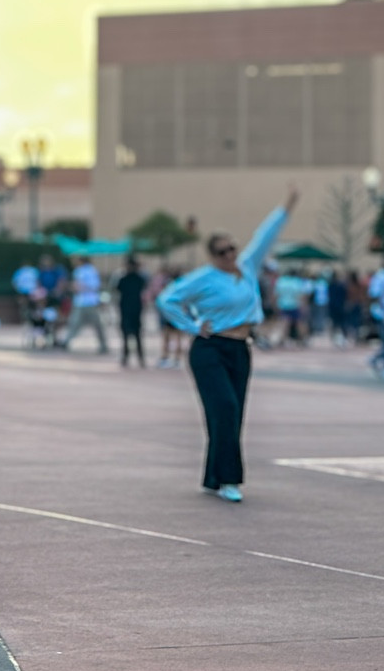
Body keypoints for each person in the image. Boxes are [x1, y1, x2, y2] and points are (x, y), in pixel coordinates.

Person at [158, 191, 298, 501]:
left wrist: (285, 208)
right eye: (223, 251)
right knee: (225, 408)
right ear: (213, 255)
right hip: (210, 349)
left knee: (232, 415)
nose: (230, 255)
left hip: (240, 348)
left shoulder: (248, 267)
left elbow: (266, 237)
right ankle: (230, 480)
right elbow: (167, 299)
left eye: (232, 248)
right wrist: (192, 325)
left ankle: (213, 477)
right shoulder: (203, 277)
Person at [61, 256, 108, 353]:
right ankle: (66, 341)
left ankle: (103, 345)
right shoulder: (88, 270)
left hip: (86, 302)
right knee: (77, 324)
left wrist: (80, 287)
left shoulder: (85, 271)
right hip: (84, 302)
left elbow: (89, 286)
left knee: (94, 324)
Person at [115, 253, 147, 367]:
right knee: (136, 335)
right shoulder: (139, 279)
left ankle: (128, 357)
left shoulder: (124, 278)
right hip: (134, 309)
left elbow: (117, 289)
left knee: (128, 335)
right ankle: (138, 358)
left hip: (127, 309)